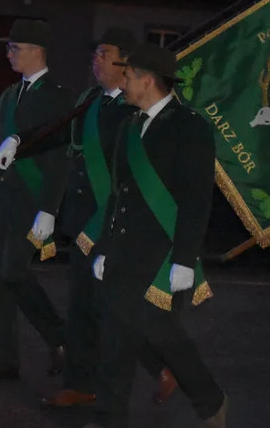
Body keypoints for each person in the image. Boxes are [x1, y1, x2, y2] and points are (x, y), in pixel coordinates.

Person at [61, 42, 227, 428]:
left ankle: (212, 402)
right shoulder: (130, 125)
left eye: (130, 75)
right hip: (123, 250)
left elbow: (195, 199)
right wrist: (102, 247)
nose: (126, 80)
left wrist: (186, 259)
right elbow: (118, 195)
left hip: (163, 256)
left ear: (148, 80)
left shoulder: (190, 126)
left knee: (160, 333)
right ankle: (108, 424)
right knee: (116, 336)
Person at [42, 28, 176, 408]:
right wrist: (21, 143)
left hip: (116, 224)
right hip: (83, 221)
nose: (95, 61)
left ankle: (159, 367)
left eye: (104, 53)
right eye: (95, 54)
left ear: (126, 63)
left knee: (115, 307)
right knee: (83, 306)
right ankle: (82, 383)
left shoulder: (135, 111)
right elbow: (61, 138)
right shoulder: (89, 100)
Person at [0, 19, 72, 382]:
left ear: (37, 51)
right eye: (8, 47)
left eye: (16, 47)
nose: (9, 53)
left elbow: (58, 155)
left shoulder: (57, 96)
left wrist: (50, 208)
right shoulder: (9, 95)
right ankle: (3, 358)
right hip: (4, 197)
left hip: (33, 199)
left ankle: (59, 337)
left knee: (14, 271)